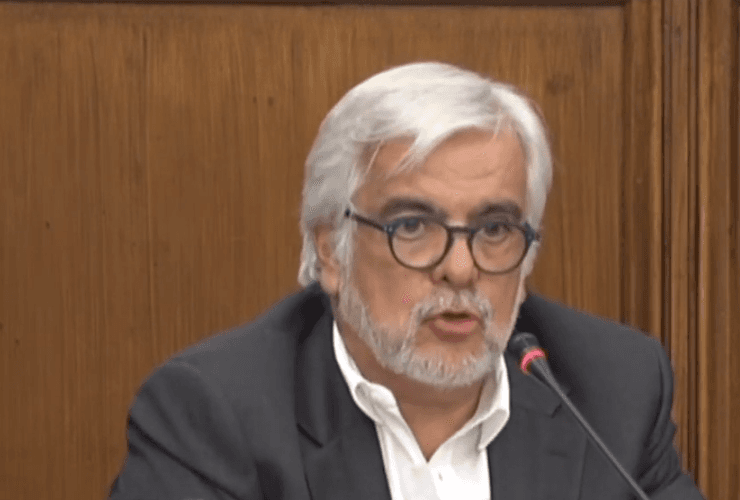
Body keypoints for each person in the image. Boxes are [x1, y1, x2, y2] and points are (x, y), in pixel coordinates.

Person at [108, 62, 705, 499]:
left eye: (495, 228)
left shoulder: (610, 392)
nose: (461, 269)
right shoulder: (215, 416)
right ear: (331, 250)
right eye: (413, 226)